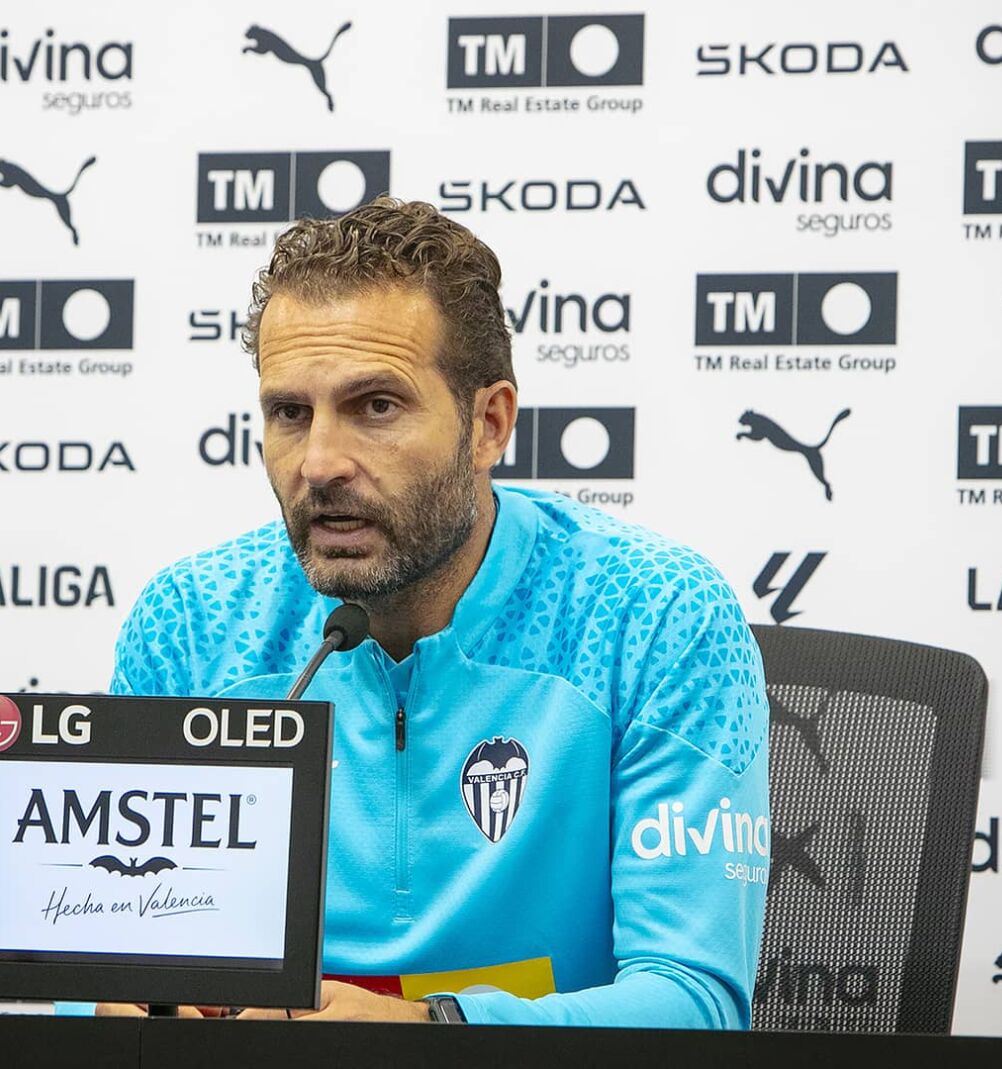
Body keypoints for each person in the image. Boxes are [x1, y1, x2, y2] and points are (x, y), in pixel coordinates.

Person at [100, 198, 768, 1027]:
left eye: (376, 406)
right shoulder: (192, 623)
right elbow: (106, 961)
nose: (320, 462)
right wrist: (115, 1005)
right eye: (290, 413)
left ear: (489, 424)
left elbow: (696, 1004)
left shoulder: (655, 613)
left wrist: (433, 1033)